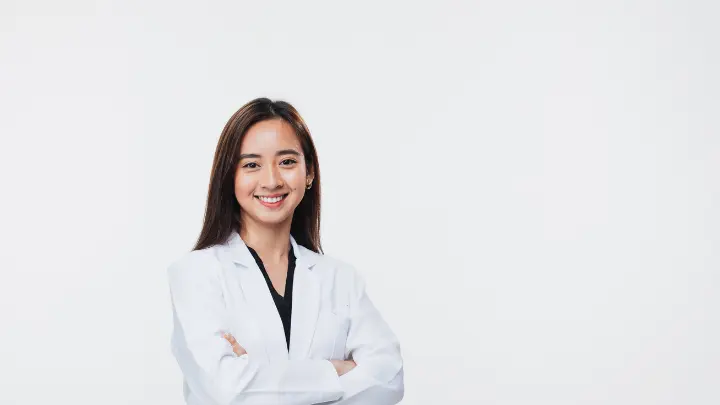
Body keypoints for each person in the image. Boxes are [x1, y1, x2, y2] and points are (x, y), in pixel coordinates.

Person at [166, 98, 404, 405]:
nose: (272, 181)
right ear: (230, 177)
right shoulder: (195, 274)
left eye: (287, 162)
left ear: (309, 173)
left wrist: (257, 377)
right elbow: (226, 389)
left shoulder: (341, 279)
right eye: (252, 164)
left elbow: (389, 378)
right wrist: (335, 370)